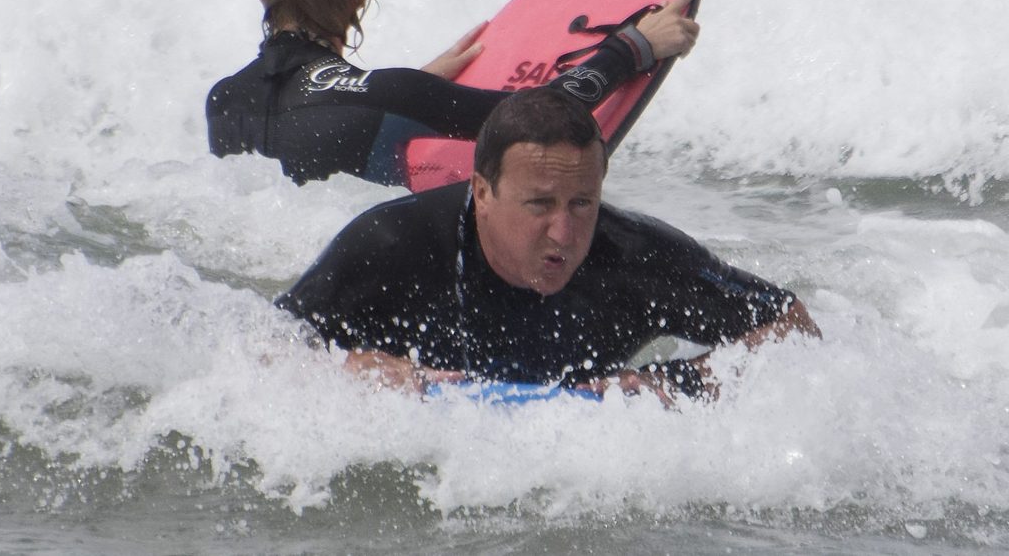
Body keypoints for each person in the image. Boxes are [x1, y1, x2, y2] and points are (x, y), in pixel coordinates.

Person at [276, 87, 821, 406]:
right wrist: (358, 370)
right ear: (482, 192)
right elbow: (262, 351)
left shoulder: (636, 257)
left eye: (582, 203)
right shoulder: (393, 246)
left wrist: (667, 384)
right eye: (539, 205)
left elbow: (794, 330)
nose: (564, 232)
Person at [206, 0, 700, 187]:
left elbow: (310, 121)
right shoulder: (391, 97)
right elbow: (542, 115)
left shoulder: (223, 102)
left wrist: (410, 87)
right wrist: (633, 46)